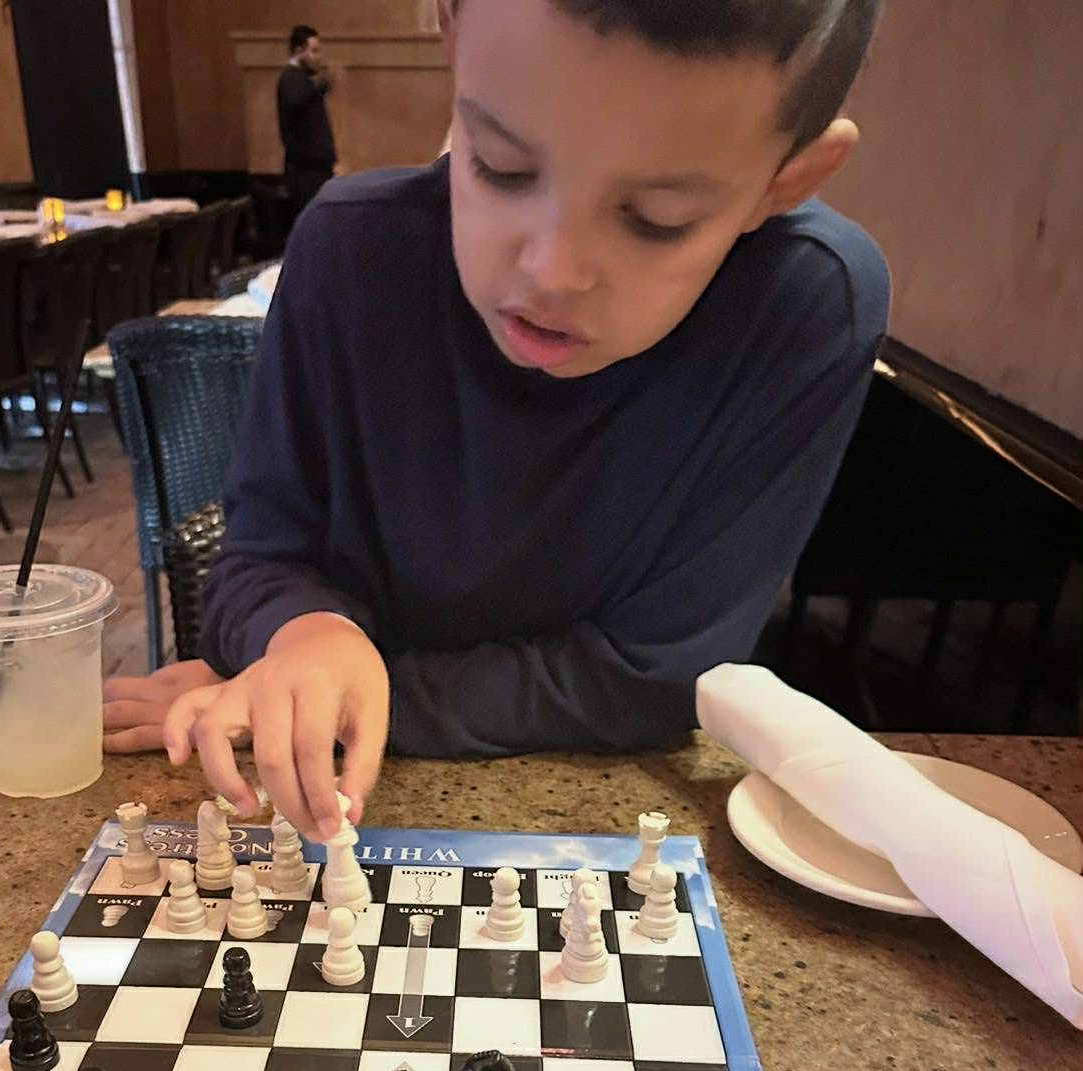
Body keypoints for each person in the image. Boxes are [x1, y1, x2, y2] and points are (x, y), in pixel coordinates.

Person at [105, 0, 890, 843]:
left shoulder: (809, 301)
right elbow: (258, 560)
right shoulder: (348, 251)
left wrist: (339, 702)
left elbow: (659, 674)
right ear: (450, 28)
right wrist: (308, 638)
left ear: (788, 180)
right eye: (501, 165)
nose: (552, 267)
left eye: (656, 219)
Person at [278, 25, 337, 220]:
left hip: (316, 170)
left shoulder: (302, 79)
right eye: (313, 51)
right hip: (305, 173)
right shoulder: (290, 78)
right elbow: (295, 100)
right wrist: (318, 86)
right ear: (298, 52)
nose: (318, 57)